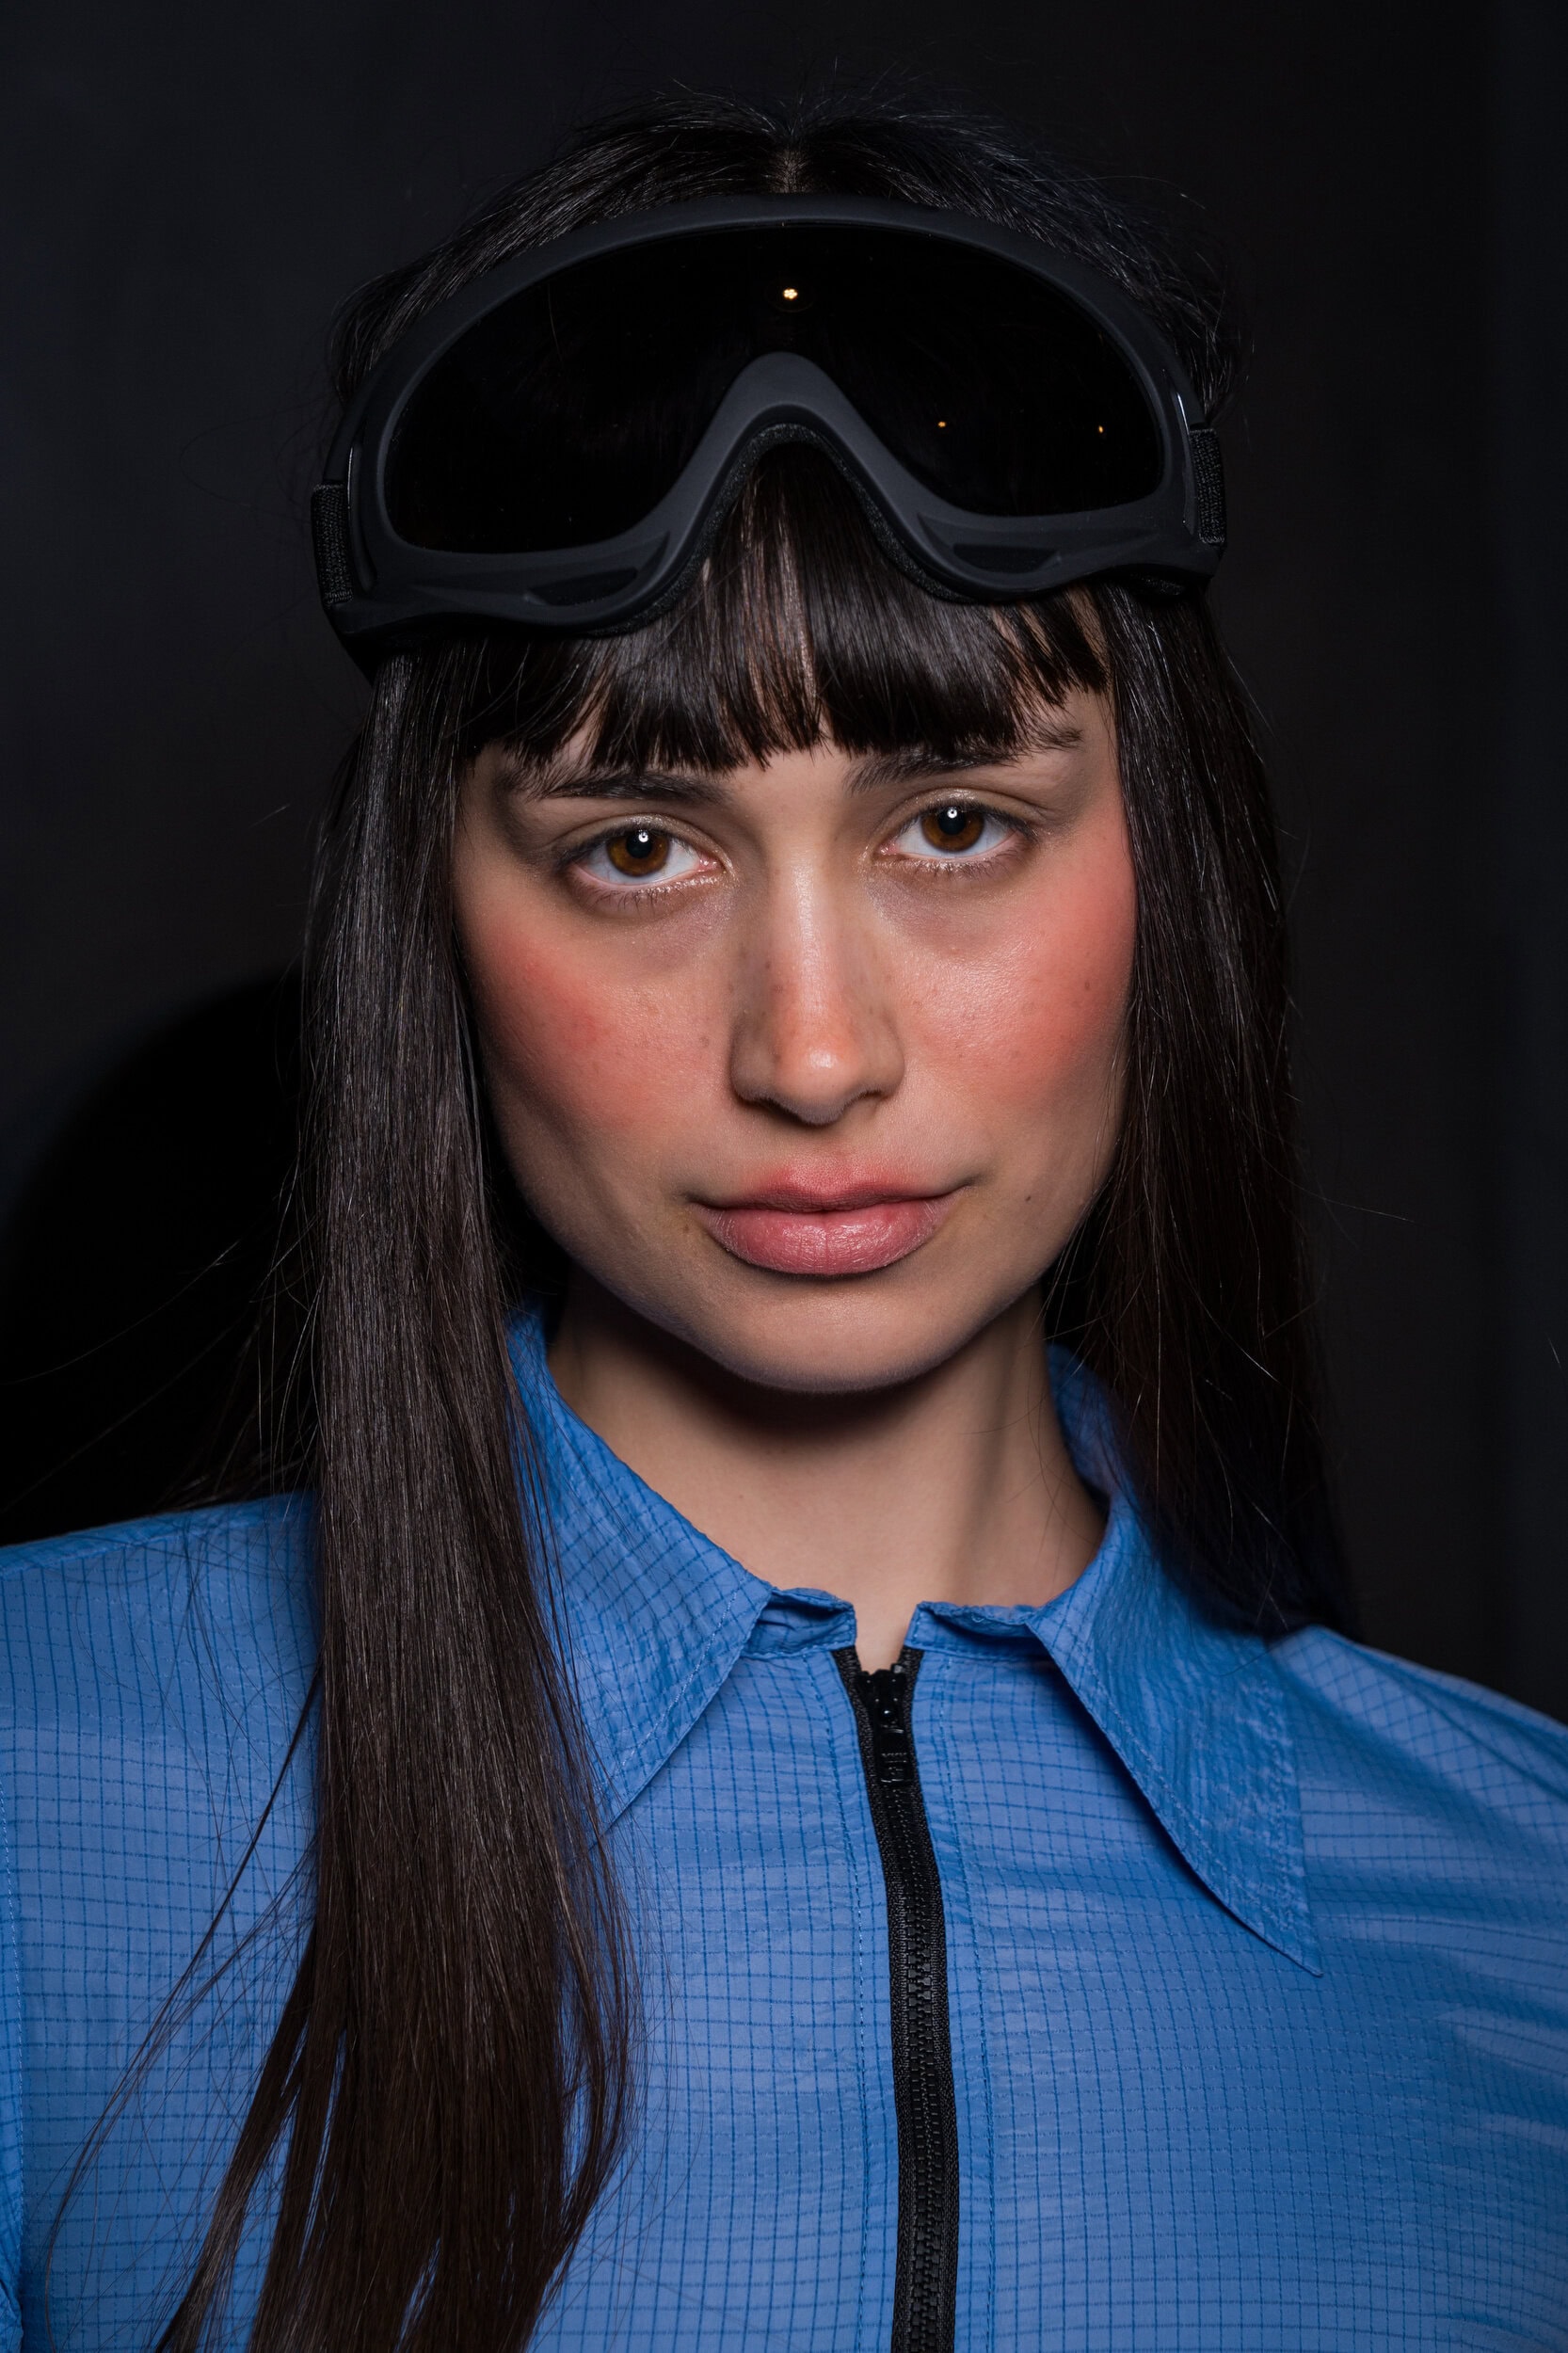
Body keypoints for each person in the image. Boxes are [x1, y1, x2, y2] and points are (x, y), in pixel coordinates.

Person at [0, 93, 1563, 2353]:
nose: (812, 1055)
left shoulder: (1520, 1909)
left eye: (955, 822)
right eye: (636, 847)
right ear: (432, 918)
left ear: (1168, 864)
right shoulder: (32, 1796)